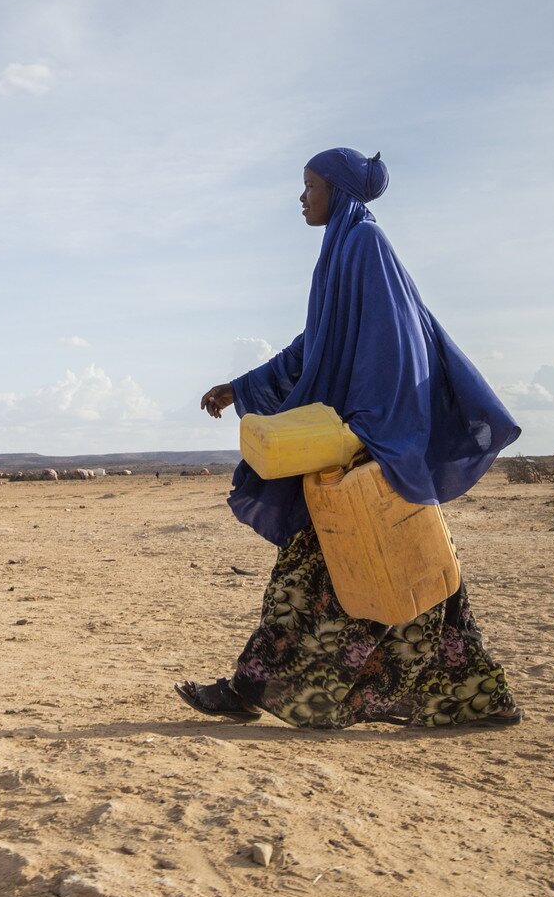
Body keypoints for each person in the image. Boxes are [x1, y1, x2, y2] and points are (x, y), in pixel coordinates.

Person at [178, 148, 521, 729]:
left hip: (374, 444)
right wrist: (241, 386)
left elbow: (395, 346)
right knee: (412, 577)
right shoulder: (343, 251)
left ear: (337, 191)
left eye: (310, 186)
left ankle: (248, 690)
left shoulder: (364, 245)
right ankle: (476, 699)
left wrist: (371, 430)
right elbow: (319, 342)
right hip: (364, 443)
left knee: (355, 573)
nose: (302, 197)